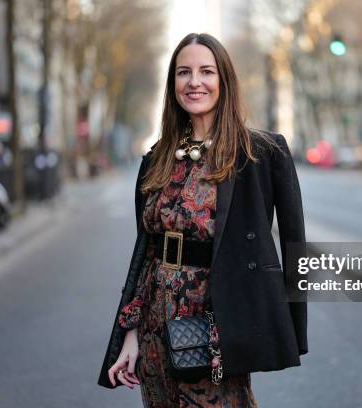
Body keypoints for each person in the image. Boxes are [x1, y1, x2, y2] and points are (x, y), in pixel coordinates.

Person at [97, 33, 308, 407]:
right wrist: (129, 334)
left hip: (216, 330)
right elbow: (146, 255)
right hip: (154, 329)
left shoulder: (260, 153)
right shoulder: (156, 159)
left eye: (206, 71)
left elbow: (294, 246)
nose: (194, 82)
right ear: (172, 84)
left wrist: (287, 330)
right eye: (184, 72)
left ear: (224, 81)